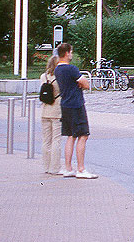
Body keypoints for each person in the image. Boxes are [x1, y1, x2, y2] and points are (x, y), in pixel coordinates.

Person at [54, 43, 97, 179]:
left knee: (70, 136)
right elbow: (85, 83)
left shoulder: (57, 69)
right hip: (76, 104)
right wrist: (80, 83)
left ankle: (68, 168)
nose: (72, 54)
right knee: (83, 135)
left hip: (65, 104)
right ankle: (81, 169)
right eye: (71, 52)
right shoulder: (71, 69)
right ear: (67, 53)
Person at [39, 54, 62, 175]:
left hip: (45, 110)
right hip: (57, 110)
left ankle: (46, 167)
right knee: (56, 140)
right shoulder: (59, 78)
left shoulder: (43, 76)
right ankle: (55, 168)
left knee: (46, 140)